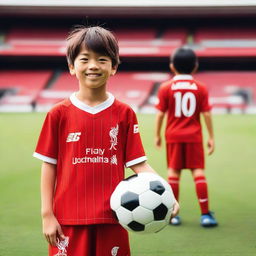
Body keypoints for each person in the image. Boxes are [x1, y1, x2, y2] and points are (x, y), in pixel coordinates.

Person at [33, 25, 179, 256]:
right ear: (71, 66)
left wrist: (166, 192)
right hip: (68, 219)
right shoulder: (58, 114)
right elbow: (49, 165)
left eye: (102, 59)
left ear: (114, 67)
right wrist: (47, 215)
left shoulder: (124, 113)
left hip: (114, 217)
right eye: (84, 59)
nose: (93, 66)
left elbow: (139, 163)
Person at [154, 47, 217, 227]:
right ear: (195, 67)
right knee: (198, 173)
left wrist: (157, 135)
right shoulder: (200, 87)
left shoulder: (166, 87)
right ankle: (205, 215)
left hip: (173, 136)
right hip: (194, 136)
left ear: (172, 67)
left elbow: (160, 114)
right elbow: (206, 114)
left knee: (173, 173)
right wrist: (211, 137)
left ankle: (173, 215)